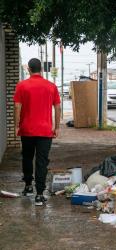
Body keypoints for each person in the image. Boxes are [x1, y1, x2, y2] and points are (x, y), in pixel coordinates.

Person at [13, 58, 61, 206]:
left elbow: (17, 107)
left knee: (27, 158)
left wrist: (16, 125)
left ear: (29, 69)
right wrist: (57, 127)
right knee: (41, 162)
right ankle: (39, 194)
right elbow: (58, 108)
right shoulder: (51, 86)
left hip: (26, 129)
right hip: (45, 131)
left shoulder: (22, 86)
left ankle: (28, 187)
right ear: (41, 69)